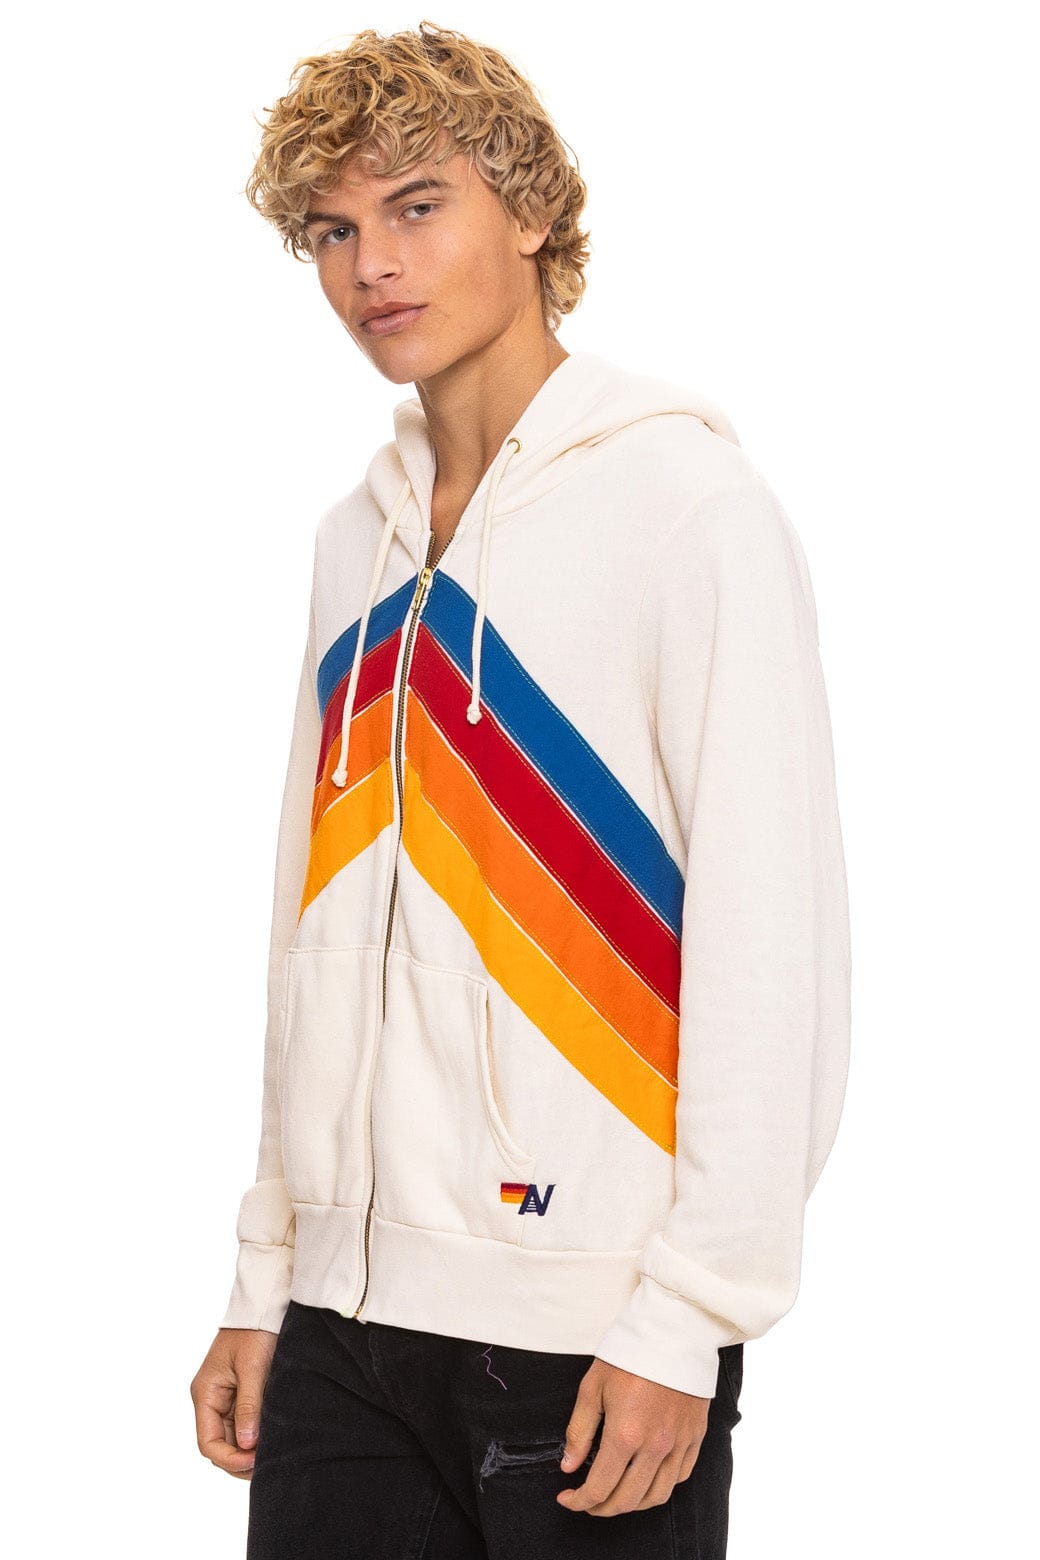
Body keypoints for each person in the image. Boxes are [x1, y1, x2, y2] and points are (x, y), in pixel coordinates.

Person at [189, 20, 852, 1559]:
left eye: (416, 206)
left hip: (586, 1332)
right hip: (341, 1333)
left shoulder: (689, 513)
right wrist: (267, 1276)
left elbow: (775, 945)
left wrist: (690, 1314)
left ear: (534, 210)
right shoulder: (353, 545)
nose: (372, 266)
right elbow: (310, 938)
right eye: (332, 231)